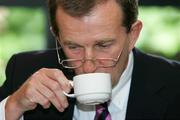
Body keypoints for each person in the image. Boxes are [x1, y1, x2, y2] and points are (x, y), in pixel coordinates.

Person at [0, 0, 180, 119]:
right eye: (73, 47)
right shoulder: (23, 71)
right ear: (57, 36)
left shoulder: (174, 84)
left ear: (133, 35)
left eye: (103, 45)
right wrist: (12, 107)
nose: (88, 67)